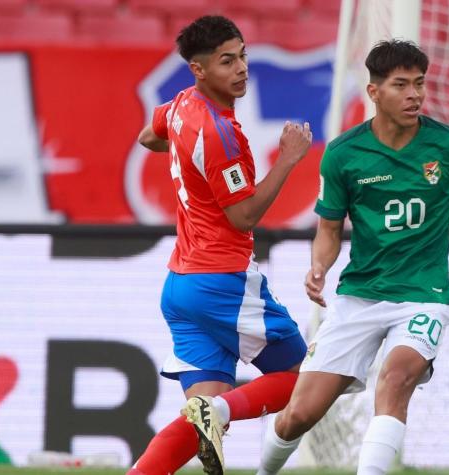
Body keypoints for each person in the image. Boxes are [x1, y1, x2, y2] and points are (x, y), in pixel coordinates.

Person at [236, 39, 449, 475]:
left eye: (420, 84)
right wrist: (319, 266)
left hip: (424, 293)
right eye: (401, 85)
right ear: (374, 92)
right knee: (299, 415)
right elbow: (328, 229)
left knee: (396, 379)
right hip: (360, 294)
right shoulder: (344, 154)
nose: (414, 94)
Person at [128, 15, 313, 475]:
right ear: (199, 69)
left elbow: (148, 136)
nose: (241, 68)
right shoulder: (220, 134)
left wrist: (185, 156)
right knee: (304, 381)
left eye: (242, 55)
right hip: (222, 282)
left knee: (200, 421)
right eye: (226, 61)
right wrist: (288, 160)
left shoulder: (178, 106)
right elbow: (244, 215)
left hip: (181, 287)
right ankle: (224, 411)